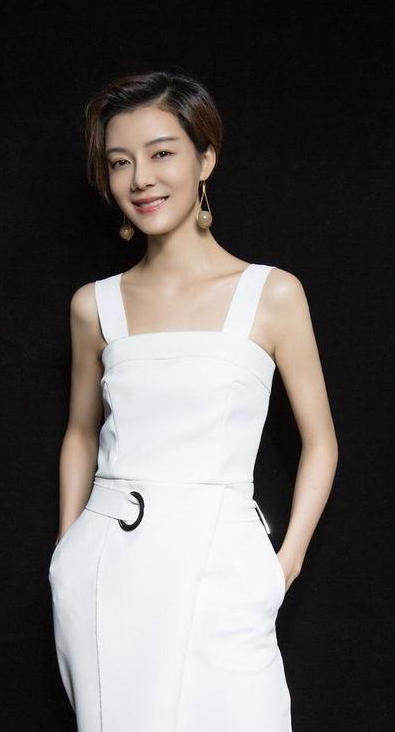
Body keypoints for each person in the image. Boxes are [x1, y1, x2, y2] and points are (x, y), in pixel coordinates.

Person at [48, 69, 338, 732]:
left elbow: (321, 442)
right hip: (110, 567)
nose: (140, 179)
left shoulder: (272, 294)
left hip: (224, 564)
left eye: (161, 153)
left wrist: (283, 565)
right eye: (120, 162)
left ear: (205, 158)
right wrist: (67, 554)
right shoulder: (95, 305)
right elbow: (80, 434)